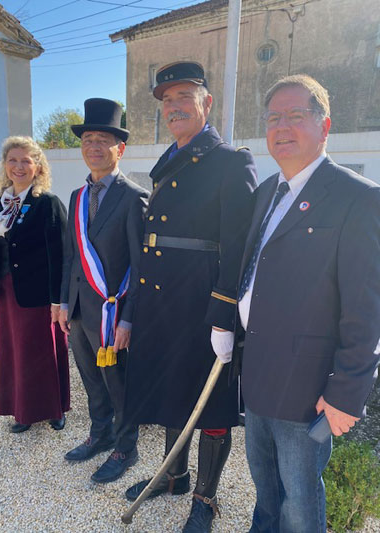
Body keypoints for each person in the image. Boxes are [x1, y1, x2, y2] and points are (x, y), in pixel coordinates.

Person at [234, 74, 380, 532]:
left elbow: (367, 306)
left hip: (307, 386)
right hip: (257, 371)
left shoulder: (358, 198)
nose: (282, 126)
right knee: (264, 485)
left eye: (296, 115)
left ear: (325, 126)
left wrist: (347, 391)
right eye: (274, 117)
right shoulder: (266, 193)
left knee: (299, 498)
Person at [124, 62, 257, 532]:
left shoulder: (228, 160)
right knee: (171, 388)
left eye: (184, 96)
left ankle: (205, 497)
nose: (173, 106)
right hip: (162, 298)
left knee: (210, 398)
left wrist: (224, 312)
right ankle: (173, 477)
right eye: (166, 100)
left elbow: (239, 244)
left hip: (202, 301)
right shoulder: (171, 158)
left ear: (207, 102)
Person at [59, 98, 148, 483]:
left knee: (120, 384)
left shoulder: (134, 197)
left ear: (120, 149)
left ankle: (126, 448)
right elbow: (69, 257)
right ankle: (100, 433)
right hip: (79, 309)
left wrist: (129, 318)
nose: (94, 147)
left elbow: (142, 269)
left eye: (103, 140)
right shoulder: (77, 198)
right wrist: (62, 302)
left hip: (113, 314)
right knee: (90, 379)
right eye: (88, 139)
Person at [0, 136, 70, 434]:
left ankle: (55, 408)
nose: (19, 166)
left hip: (40, 294)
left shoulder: (47, 203)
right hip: (8, 291)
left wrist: (57, 299)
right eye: (13, 160)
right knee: (15, 352)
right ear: (5, 165)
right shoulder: (0, 202)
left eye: (26, 160)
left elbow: (59, 254)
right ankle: (22, 410)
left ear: (38, 166)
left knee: (44, 351)